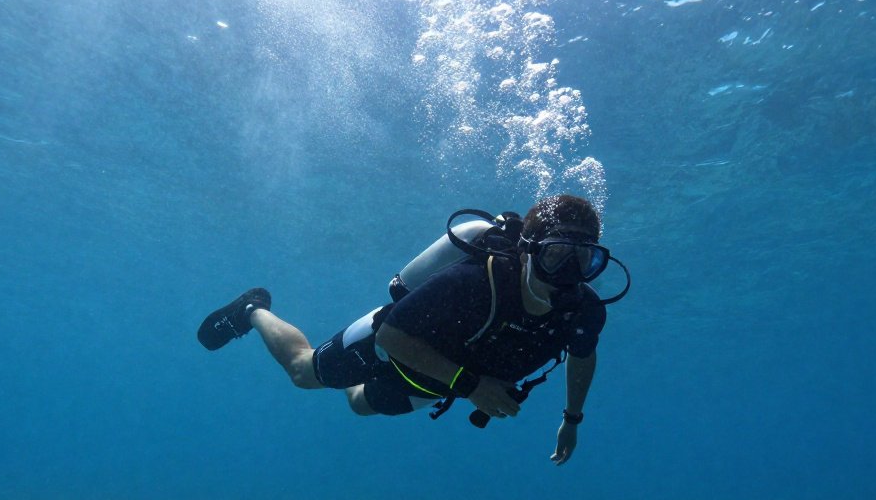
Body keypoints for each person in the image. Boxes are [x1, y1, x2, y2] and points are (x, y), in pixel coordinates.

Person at [196, 194, 627, 466]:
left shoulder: (584, 311)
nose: (569, 274)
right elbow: (391, 336)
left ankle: (356, 380)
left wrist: (572, 419)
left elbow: (583, 355)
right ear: (531, 252)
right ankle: (252, 308)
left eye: (585, 260)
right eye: (556, 256)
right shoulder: (476, 282)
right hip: (392, 343)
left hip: (437, 379)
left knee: (359, 406)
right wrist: (472, 385)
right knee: (303, 372)